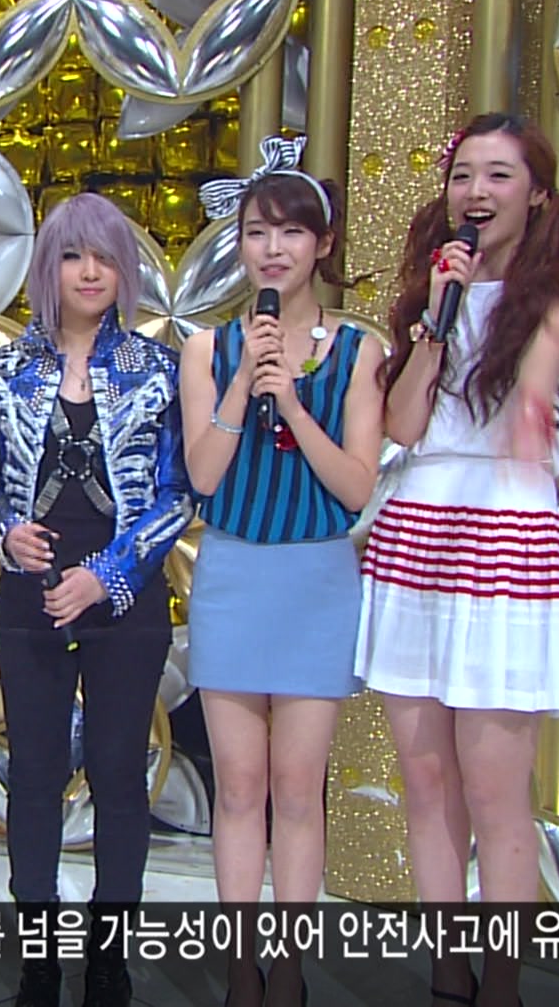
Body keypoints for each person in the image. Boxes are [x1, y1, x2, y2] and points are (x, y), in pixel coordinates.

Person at [354, 112, 559, 1007]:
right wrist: (438, 316)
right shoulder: (433, 293)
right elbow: (401, 426)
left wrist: (531, 405)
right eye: (464, 174)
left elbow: (529, 415)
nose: (476, 192)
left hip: (505, 536)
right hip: (416, 530)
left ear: (537, 194)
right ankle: (448, 969)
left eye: (499, 175)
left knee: (496, 787)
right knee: (426, 778)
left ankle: (503, 980)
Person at [0, 193, 193, 1007]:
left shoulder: (159, 368)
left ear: (124, 269)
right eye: (73, 256)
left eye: (104, 257)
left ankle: (109, 955)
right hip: (29, 597)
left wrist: (110, 571)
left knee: (118, 773)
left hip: (125, 601)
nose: (90, 271)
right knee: (33, 774)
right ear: (48, 268)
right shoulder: (8, 368)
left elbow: (179, 491)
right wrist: (7, 534)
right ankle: (38, 955)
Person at [177, 135, 384, 1006]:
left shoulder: (360, 352)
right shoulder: (208, 349)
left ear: (322, 244)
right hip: (233, 575)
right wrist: (243, 384)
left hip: (316, 579)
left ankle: (290, 966)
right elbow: (203, 476)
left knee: (299, 790)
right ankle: (241, 965)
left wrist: (292, 401)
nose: (273, 249)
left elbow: (357, 488)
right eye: (257, 232)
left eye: (291, 232)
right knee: (240, 786)